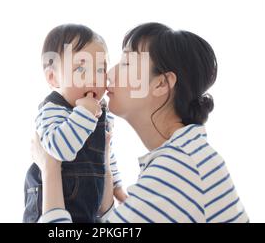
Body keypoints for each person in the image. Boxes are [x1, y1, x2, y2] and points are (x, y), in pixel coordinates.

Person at [31, 22, 249, 223]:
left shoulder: (177, 169)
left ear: (161, 84)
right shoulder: (185, 157)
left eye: (126, 63)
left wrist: (50, 168)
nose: (109, 74)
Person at [23, 24, 127, 223]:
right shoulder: (52, 109)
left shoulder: (100, 113)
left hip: (87, 206)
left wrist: (117, 187)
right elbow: (59, 151)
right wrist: (85, 113)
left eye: (100, 69)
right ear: (53, 78)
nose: (93, 79)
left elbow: (107, 155)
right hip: (48, 208)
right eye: (81, 68)